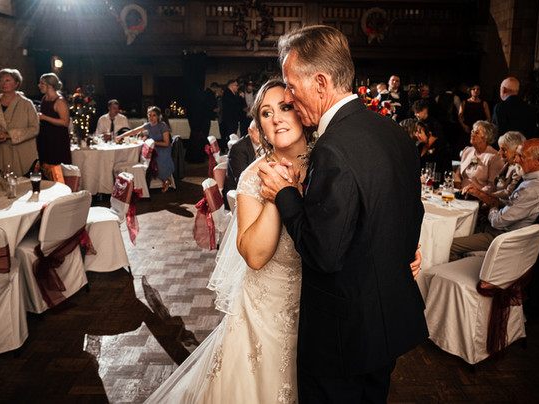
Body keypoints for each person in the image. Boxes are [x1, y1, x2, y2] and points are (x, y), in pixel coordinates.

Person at [145, 78, 421, 403]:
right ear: (259, 126)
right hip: (266, 317)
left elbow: (362, 223)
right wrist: (277, 194)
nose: (276, 118)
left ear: (301, 113)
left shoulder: (330, 161)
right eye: (266, 112)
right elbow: (255, 256)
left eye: (285, 107)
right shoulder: (253, 177)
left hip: (328, 315)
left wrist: (398, 254)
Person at [259, 25, 427, 403]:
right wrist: (403, 256)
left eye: (291, 86)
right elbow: (409, 212)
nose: (288, 97)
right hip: (385, 325)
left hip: (341, 337)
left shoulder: (332, 148)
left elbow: (324, 254)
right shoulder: (393, 132)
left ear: (320, 83)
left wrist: (286, 195)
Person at [450, 138, 539, 260]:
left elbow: (497, 221)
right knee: (459, 230)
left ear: (538, 161)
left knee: (449, 245)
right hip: (505, 231)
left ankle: (462, 269)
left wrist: (492, 206)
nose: (516, 160)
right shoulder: (538, 182)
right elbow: (514, 204)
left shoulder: (532, 189)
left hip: (504, 238)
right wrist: (482, 195)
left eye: (521, 156)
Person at [0, 68, 39, 177]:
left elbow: (34, 129)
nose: (3, 83)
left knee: (21, 184)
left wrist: (9, 135)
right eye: (0, 80)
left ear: (16, 83)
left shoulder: (26, 104)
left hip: (20, 153)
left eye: (7, 80)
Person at [116, 106, 174, 192]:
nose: (151, 117)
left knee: (154, 159)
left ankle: (166, 180)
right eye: (149, 115)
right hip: (153, 147)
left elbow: (166, 143)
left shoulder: (163, 126)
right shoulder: (148, 125)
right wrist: (120, 136)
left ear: (158, 116)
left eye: (154, 115)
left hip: (163, 148)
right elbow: (134, 131)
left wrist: (151, 141)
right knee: (145, 156)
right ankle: (145, 182)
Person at [462, 131, 526, 205]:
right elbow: (496, 185)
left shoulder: (519, 169)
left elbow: (508, 193)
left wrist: (482, 195)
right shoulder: (507, 165)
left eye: (504, 149)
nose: (499, 152)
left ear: (516, 150)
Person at [454, 120, 503, 192]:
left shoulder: (494, 157)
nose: (472, 135)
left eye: (476, 133)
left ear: (486, 137)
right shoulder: (467, 151)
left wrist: (476, 194)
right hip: (461, 192)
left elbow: (492, 186)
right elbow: (457, 175)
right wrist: (459, 191)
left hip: (479, 196)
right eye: (472, 131)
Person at [222, 120, 261, 208]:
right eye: (259, 130)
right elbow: (243, 180)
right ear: (250, 132)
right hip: (237, 196)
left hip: (256, 190)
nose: (263, 135)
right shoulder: (238, 149)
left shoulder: (267, 145)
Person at [36, 73, 72, 165]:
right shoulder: (44, 98)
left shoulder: (59, 101)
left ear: (49, 85)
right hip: (45, 138)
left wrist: (44, 117)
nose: (39, 85)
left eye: (42, 83)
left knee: (57, 166)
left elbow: (65, 122)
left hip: (57, 139)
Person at [220, 79, 246, 151]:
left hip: (232, 119)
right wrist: (241, 97)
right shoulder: (227, 93)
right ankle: (230, 151)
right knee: (231, 135)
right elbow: (234, 103)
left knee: (231, 135)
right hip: (230, 119)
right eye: (236, 85)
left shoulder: (232, 94)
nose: (237, 87)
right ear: (231, 86)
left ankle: (230, 150)